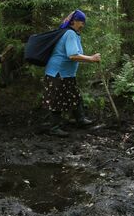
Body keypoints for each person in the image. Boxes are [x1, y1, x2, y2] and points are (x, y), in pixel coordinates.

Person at [43, 9, 101, 137]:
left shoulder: (72, 33)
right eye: (81, 22)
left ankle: (80, 120)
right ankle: (54, 128)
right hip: (57, 73)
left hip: (66, 74)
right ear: (74, 21)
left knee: (75, 96)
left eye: (83, 22)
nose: (82, 25)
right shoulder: (69, 33)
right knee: (56, 100)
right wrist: (91, 58)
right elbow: (73, 55)